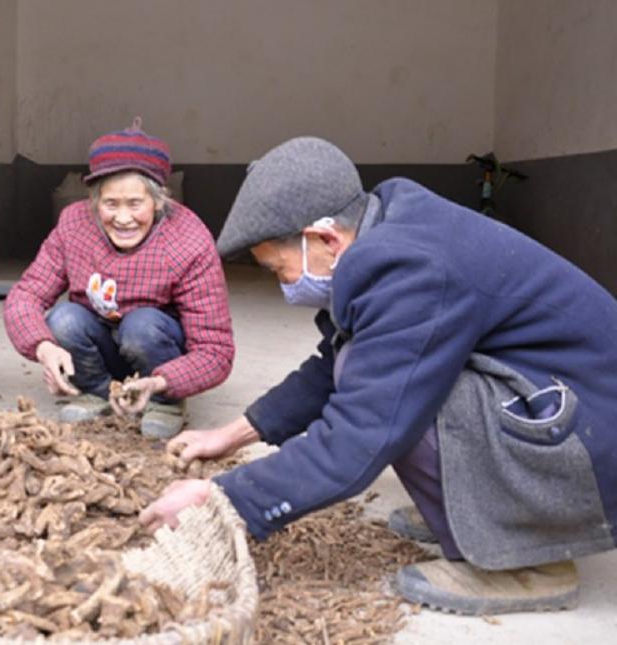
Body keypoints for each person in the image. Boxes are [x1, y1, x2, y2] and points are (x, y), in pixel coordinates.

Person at [139, 136, 617, 615]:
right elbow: (337, 361)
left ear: (325, 239)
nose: (283, 284)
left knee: (394, 391)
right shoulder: (389, 223)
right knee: (370, 366)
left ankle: (526, 563)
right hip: (567, 407)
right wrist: (233, 434)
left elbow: (360, 434)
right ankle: (477, 510)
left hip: (589, 441)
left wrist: (223, 499)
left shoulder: (410, 269)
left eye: (278, 269)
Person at [3, 118, 234, 438]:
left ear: (159, 200)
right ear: (94, 201)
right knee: (63, 319)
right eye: (110, 204)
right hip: (99, 348)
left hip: (157, 353)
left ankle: (166, 403)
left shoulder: (188, 239)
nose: (123, 218)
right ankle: (97, 392)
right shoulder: (74, 225)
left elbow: (215, 351)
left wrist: (162, 382)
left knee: (141, 326)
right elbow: (25, 294)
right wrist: (42, 346)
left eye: (135, 204)